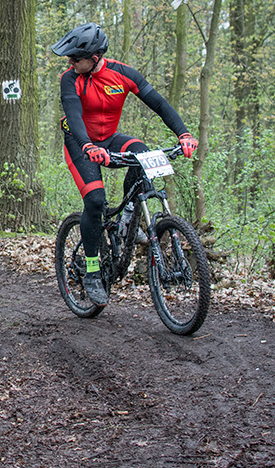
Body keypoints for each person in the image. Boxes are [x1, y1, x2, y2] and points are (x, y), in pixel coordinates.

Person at [52, 22, 198, 306]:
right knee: (95, 201)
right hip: (79, 143)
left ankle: (127, 220)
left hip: (109, 139)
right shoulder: (69, 79)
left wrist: (183, 133)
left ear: (94, 58)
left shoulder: (123, 74)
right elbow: (74, 115)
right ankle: (92, 271)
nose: (70, 62)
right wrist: (88, 145)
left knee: (142, 154)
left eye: (75, 58)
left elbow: (159, 104)